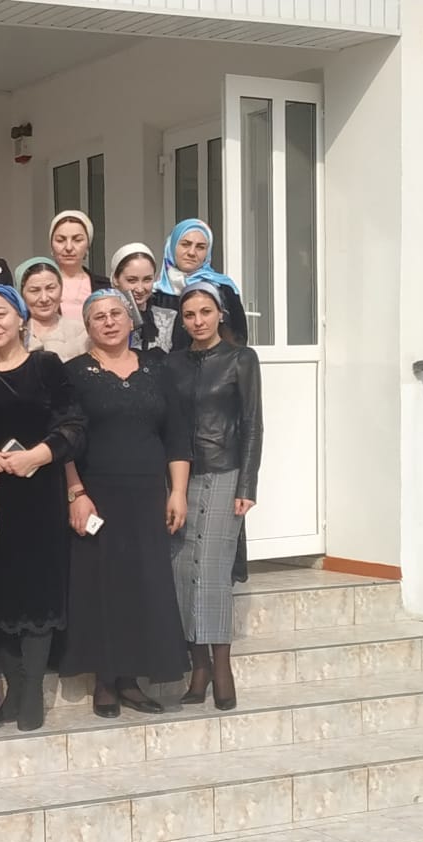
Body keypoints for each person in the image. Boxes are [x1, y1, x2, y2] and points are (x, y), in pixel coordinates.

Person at [61, 289, 191, 719]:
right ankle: (105, 679)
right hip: (97, 496)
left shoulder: (157, 369)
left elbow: (176, 435)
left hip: (149, 494)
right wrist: (76, 493)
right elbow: (65, 440)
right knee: (101, 585)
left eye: (116, 313)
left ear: (131, 319)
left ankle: (132, 679)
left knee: (143, 583)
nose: (109, 322)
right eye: (98, 316)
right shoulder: (74, 374)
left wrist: (177, 491)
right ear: (88, 326)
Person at [0, 286, 84, 731]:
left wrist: (37, 455)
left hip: (39, 494)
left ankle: (32, 690)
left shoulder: (46, 366)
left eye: (0, 314)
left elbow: (74, 424)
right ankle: (13, 686)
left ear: (19, 318)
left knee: (38, 591)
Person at [167, 282, 263, 711]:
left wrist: (247, 485)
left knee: (212, 571)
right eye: (190, 315)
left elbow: (253, 423)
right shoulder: (172, 363)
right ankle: (198, 668)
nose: (198, 321)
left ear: (220, 313)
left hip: (225, 472)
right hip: (180, 475)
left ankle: (221, 667)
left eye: (205, 312)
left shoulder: (241, 358)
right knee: (182, 569)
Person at [151, 219, 249, 349]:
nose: (191, 253)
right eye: (185, 244)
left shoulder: (222, 289)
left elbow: (238, 338)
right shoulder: (156, 293)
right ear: (172, 246)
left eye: (200, 247)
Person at [15, 257, 89, 361]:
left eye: (50, 288)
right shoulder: (13, 334)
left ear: (61, 289)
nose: (44, 298)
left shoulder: (81, 333)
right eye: (35, 290)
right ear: (21, 295)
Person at [48, 210, 109, 334]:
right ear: (51, 246)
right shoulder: (40, 287)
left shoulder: (105, 287)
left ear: (88, 245)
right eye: (60, 240)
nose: (69, 247)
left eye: (77, 240)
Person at [110, 242, 169, 355]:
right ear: (115, 279)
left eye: (147, 280)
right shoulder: (104, 318)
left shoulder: (168, 318)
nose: (140, 289)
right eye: (132, 280)